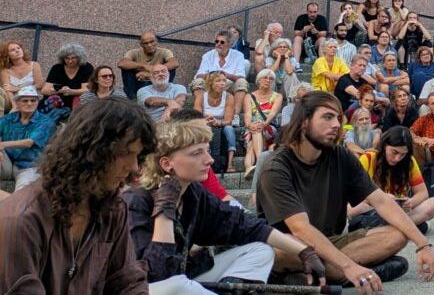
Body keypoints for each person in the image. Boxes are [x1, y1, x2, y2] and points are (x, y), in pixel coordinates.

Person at [124, 118, 324, 292]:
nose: (209, 160)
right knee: (177, 285)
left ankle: (232, 291)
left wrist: (304, 251)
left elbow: (244, 224)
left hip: (185, 276)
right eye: (196, 153)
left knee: (260, 250)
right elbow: (158, 274)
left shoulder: (195, 194)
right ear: (167, 163)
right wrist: (165, 208)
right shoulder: (136, 201)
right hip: (150, 287)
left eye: (208, 151)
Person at [257, 92, 434, 287]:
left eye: (338, 118)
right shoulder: (276, 167)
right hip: (290, 245)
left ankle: (317, 276)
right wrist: (349, 266)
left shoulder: (341, 156)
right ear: (304, 122)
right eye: (327, 117)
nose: (336, 124)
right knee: (281, 250)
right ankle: (346, 272)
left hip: (330, 240)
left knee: (398, 235)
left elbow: (381, 201)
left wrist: (422, 243)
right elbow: (300, 228)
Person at [0, 97, 155, 292]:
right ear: (89, 151)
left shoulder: (114, 208)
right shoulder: (22, 221)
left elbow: (128, 281)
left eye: (137, 155)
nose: (133, 166)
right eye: (124, 153)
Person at [348, 126, 434, 234]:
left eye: (402, 154)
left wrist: (410, 202)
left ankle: (382, 229)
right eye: (394, 152)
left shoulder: (409, 161)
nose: (397, 158)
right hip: (373, 209)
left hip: (399, 210)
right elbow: (355, 194)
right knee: (351, 209)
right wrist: (381, 199)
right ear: (384, 146)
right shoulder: (368, 158)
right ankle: (409, 226)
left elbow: (423, 193)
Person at [0, 86, 54, 190]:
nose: (29, 103)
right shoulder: (9, 118)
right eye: (25, 101)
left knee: (22, 193)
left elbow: (28, 143)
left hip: (29, 165)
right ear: (17, 103)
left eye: (33, 100)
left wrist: (2, 145)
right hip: (6, 162)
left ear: (38, 102)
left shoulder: (45, 122)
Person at [191, 31, 248, 111]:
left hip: (228, 86)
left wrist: (224, 75)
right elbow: (199, 75)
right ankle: (199, 112)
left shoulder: (238, 55)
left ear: (230, 44)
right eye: (216, 41)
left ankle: (236, 115)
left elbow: (240, 77)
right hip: (210, 84)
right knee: (198, 82)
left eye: (222, 42)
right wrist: (213, 75)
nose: (218, 44)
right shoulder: (208, 55)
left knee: (242, 82)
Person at [243, 69, 283, 178]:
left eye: (271, 79)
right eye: (265, 78)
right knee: (251, 141)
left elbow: (273, 113)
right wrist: (249, 125)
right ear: (258, 80)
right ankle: (249, 168)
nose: (268, 80)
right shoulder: (249, 96)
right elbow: (247, 114)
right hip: (251, 128)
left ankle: (257, 163)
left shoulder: (277, 96)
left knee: (257, 130)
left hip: (269, 128)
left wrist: (263, 124)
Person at [195, 73, 236, 174]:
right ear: (210, 83)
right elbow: (196, 117)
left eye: (223, 81)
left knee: (229, 129)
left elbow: (228, 121)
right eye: (218, 81)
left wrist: (217, 122)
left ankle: (230, 164)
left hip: (222, 125)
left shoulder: (229, 97)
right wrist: (206, 120)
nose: (222, 83)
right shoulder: (201, 97)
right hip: (206, 125)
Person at [118, 31, 180, 97]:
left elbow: (175, 63)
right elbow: (121, 63)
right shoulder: (133, 52)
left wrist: (150, 73)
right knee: (126, 69)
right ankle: (131, 96)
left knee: (170, 69)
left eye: (152, 42)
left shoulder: (164, 52)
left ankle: (164, 93)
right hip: (138, 84)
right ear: (141, 44)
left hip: (157, 83)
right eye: (146, 43)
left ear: (156, 41)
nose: (149, 45)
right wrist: (144, 66)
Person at [40, 42, 93, 115]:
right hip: (56, 103)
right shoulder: (57, 68)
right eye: (67, 58)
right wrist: (58, 91)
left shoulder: (86, 67)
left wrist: (71, 91)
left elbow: (88, 90)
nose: (70, 61)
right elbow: (44, 90)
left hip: (78, 104)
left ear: (79, 57)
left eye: (73, 58)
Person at [345, 108, 382, 172]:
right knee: (355, 154)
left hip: (370, 162)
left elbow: (376, 149)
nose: (364, 121)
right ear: (356, 121)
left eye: (367, 118)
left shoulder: (374, 133)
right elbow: (350, 145)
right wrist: (365, 154)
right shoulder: (351, 132)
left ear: (370, 119)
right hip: (357, 161)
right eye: (361, 119)